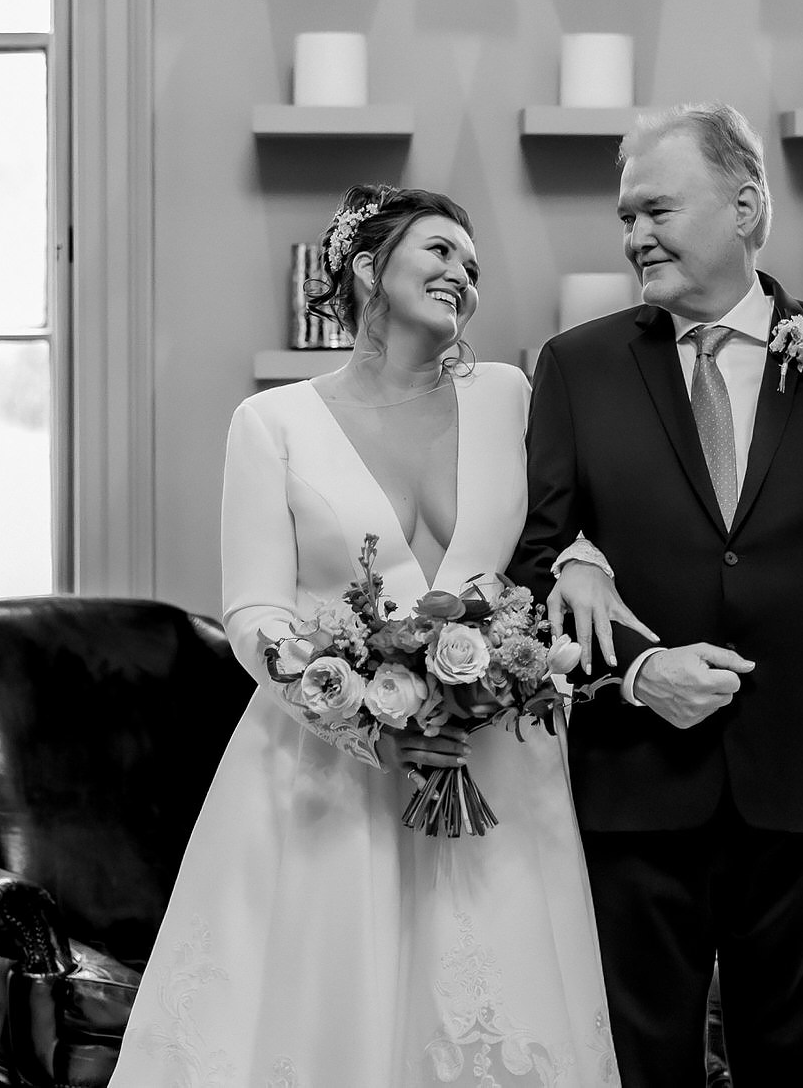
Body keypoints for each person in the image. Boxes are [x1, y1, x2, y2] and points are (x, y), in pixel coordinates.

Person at [111, 186, 619, 1088]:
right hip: (331, 774)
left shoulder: (509, 396)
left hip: (491, 762)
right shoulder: (272, 423)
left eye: (472, 265)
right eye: (439, 250)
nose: (462, 273)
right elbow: (254, 611)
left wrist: (583, 560)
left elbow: (568, 520)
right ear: (366, 267)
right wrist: (357, 717)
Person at [512, 103, 803, 1088]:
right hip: (632, 789)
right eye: (625, 217)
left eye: (656, 209)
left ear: (744, 207)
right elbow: (535, 570)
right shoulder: (576, 367)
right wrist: (640, 669)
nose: (634, 236)